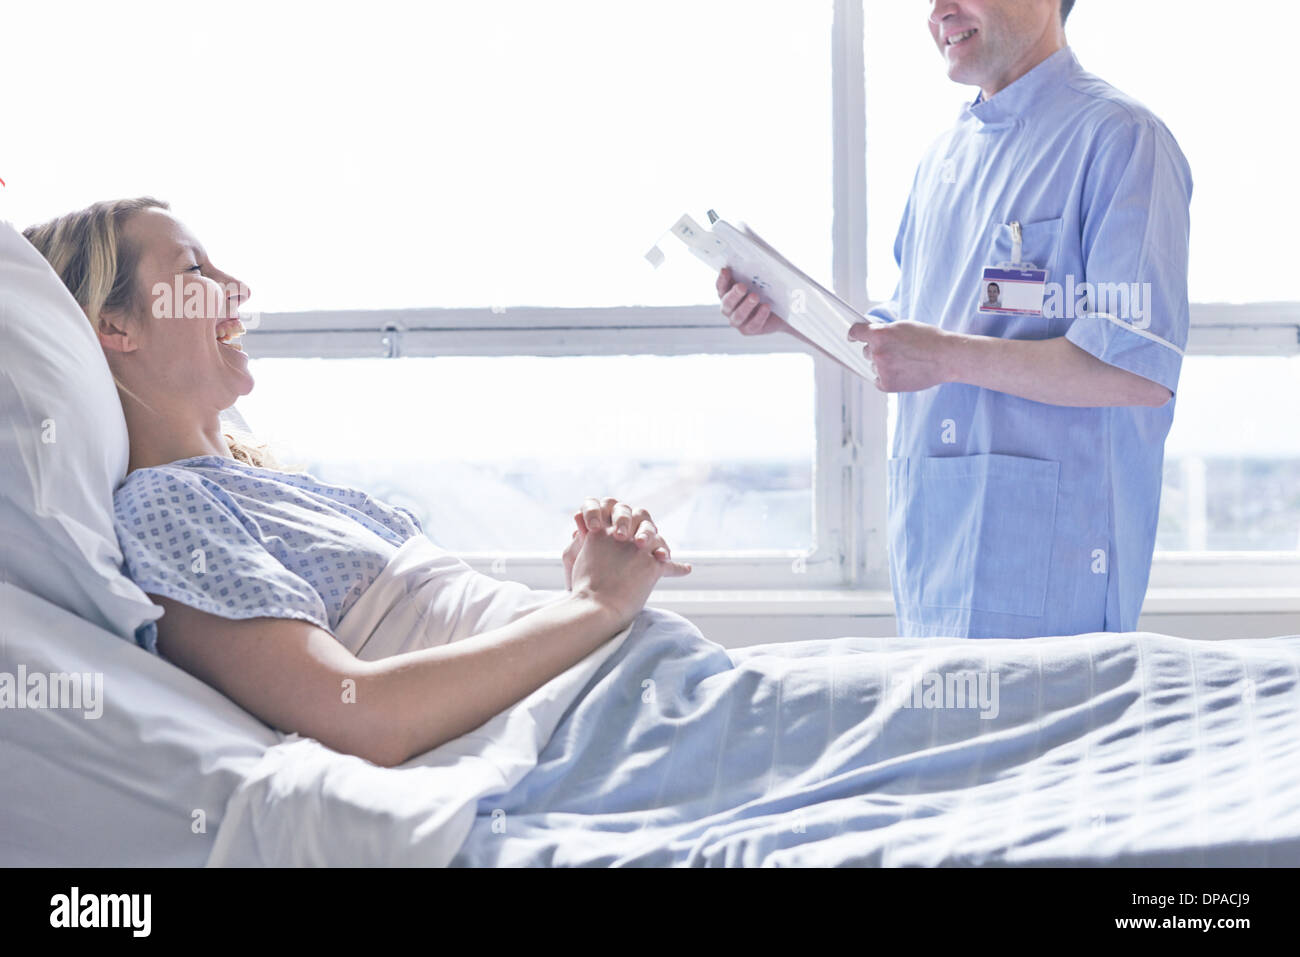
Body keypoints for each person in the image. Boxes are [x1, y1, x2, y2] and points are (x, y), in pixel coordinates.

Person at [23, 197, 691, 768]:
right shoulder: (167, 507)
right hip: (614, 720)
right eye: (194, 270)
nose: (239, 288)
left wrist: (577, 590)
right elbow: (366, 714)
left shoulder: (257, 487)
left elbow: (440, 633)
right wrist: (596, 606)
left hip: (631, 692)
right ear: (113, 325)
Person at [717, 0, 1191, 639]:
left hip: (1053, 567)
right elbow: (907, 343)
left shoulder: (1120, 138)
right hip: (932, 550)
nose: (939, 10)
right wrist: (788, 316)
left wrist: (945, 356)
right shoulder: (944, 158)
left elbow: (1136, 370)